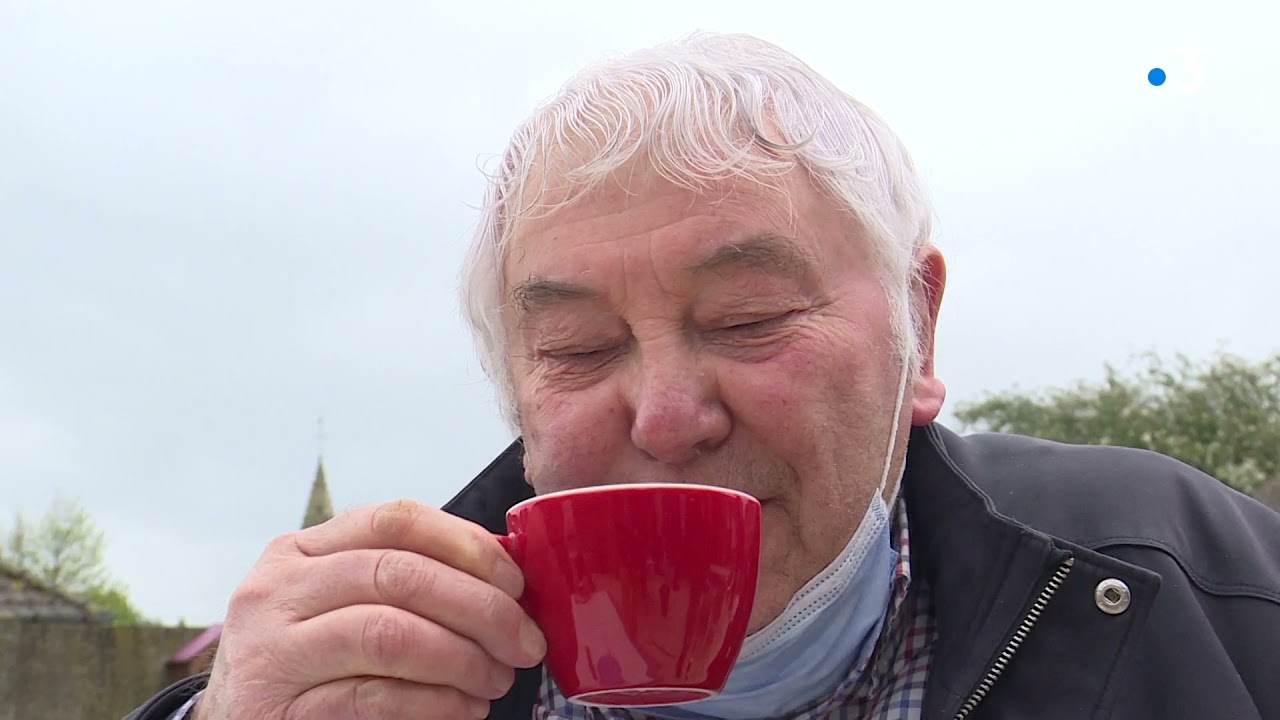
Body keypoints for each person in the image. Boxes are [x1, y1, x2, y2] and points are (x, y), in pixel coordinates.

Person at [126, 33, 1280, 720]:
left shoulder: (1207, 597)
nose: (669, 417)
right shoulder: (382, 674)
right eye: (577, 348)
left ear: (919, 335)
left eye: (748, 317)